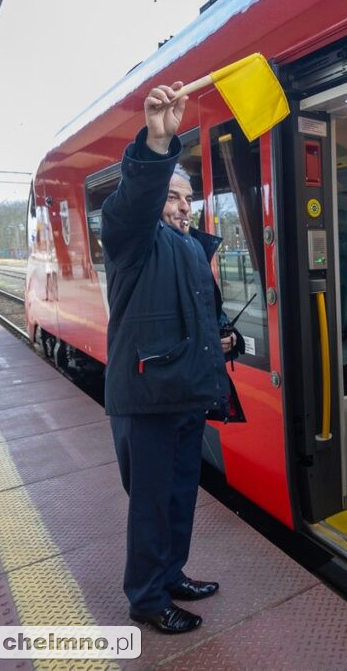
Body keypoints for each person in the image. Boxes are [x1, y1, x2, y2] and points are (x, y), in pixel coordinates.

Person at [101, 81, 241, 634]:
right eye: (173, 197)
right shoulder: (134, 240)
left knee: (181, 494)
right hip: (149, 395)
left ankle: (172, 573)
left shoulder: (191, 248)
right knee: (152, 504)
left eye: (188, 199)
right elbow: (135, 201)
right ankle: (146, 597)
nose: (183, 207)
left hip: (185, 391)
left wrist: (226, 341)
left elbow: (198, 317)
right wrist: (159, 144)